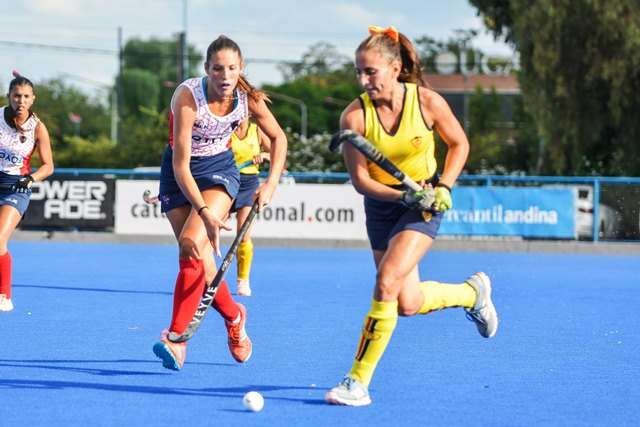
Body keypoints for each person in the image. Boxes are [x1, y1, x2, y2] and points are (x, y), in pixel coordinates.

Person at [324, 26, 498, 406]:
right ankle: (472, 294)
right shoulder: (354, 118)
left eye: (371, 71)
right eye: (359, 72)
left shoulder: (427, 102)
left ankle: (357, 381)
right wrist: (403, 195)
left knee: (386, 281)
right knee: (407, 302)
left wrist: (444, 187)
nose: (364, 79)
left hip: (425, 203)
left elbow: (459, 144)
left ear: (395, 67)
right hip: (385, 205)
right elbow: (361, 182)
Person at [152, 35, 287, 370]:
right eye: (217, 69)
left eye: (230, 68)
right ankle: (234, 315)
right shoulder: (187, 97)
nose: (224, 76)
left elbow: (279, 138)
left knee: (188, 244)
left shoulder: (247, 98)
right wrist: (203, 213)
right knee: (200, 259)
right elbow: (180, 165)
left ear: (240, 69)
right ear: (206, 70)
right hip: (179, 174)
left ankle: (177, 338)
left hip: (219, 172)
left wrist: (270, 184)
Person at [0, 73, 54, 312]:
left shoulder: (38, 128)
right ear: (9, 97)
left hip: (16, 187)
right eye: (16, 96)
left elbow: (48, 166)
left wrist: (31, 178)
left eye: (25, 96)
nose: (20, 100)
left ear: (33, 99)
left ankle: (4, 295)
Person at [229, 117, 271, 297]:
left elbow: (277, 153)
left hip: (249, 184)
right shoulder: (226, 129)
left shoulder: (257, 130)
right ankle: (205, 277)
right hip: (227, 181)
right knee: (210, 229)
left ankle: (242, 281)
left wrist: (265, 156)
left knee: (243, 234)